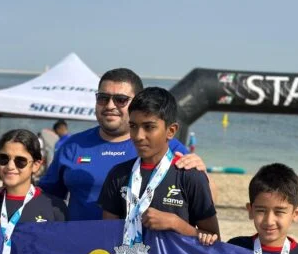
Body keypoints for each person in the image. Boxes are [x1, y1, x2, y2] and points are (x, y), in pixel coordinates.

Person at [39, 68, 211, 221]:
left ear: (137, 103)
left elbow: (206, 200)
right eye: (103, 98)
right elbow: (46, 198)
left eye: (120, 100)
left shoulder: (166, 146)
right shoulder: (73, 145)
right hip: (80, 244)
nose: (110, 105)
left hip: (138, 245)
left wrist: (200, 171)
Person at [99, 87, 220, 241]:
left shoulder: (190, 176)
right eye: (133, 126)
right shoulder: (118, 174)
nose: (139, 136)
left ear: (171, 131)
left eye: (149, 127)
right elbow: (106, 236)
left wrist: (176, 224)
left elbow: (215, 240)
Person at [0, 129, 67, 227]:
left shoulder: (55, 207)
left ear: (36, 165)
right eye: (3, 158)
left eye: (20, 161)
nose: (10, 166)